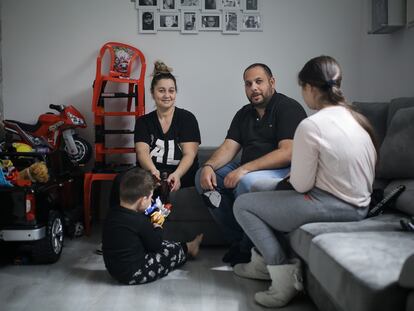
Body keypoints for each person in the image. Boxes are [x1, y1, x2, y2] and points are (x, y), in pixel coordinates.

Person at [232, 56, 377, 308]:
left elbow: (300, 185)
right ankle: (259, 261)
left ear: (309, 88)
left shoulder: (312, 125)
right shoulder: (357, 118)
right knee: (256, 187)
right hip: (358, 201)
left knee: (244, 205)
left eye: (303, 88)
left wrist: (292, 178)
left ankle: (280, 275)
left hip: (335, 204)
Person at [195, 63, 307, 266]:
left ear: (272, 82)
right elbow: (229, 147)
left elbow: (287, 153)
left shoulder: (288, 108)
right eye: (248, 84)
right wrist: (209, 166)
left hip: (281, 172)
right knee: (202, 177)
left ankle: (247, 247)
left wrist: (244, 169)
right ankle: (238, 240)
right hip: (248, 169)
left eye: (259, 81)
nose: (253, 88)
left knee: (247, 182)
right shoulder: (244, 113)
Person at [109, 61, 200, 208]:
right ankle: (120, 227)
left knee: (166, 188)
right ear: (153, 93)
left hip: (182, 172)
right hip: (151, 172)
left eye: (171, 90)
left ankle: (158, 226)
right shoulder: (143, 122)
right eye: (161, 90)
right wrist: (152, 172)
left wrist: (177, 175)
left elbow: (190, 154)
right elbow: (142, 151)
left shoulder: (187, 118)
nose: (167, 95)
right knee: (120, 180)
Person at [102, 168, 203, 285]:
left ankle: (188, 246)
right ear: (142, 200)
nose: (152, 201)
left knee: (165, 243)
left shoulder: (111, 214)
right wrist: (158, 226)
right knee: (167, 252)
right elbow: (155, 245)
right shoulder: (140, 221)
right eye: (150, 197)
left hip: (114, 270)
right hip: (135, 273)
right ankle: (187, 250)